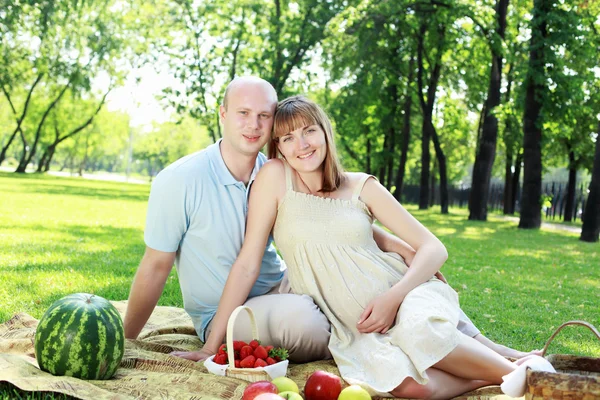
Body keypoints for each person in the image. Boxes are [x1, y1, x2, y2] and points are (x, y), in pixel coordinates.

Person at [123, 76, 534, 365]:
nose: (253, 124)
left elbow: (325, 220)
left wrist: (394, 245)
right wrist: (128, 340)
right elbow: (157, 265)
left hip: (289, 285)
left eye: (264, 116)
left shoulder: (276, 169)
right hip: (235, 310)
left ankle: (485, 345)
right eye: (243, 113)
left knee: (366, 280)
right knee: (315, 323)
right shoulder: (181, 180)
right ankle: (449, 355)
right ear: (223, 114)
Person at [201, 95, 534, 398]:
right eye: (288, 138)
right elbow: (248, 262)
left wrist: (393, 298)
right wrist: (210, 346)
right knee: (405, 387)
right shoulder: (275, 178)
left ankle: (525, 376)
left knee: (423, 335)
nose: (301, 145)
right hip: (354, 326)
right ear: (279, 148)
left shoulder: (362, 185)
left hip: (399, 294)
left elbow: (433, 248)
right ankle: (500, 376)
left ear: (325, 132)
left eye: (309, 131)